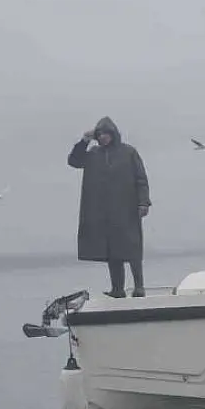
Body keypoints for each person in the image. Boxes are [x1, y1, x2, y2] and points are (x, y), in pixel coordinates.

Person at [67, 116, 151, 298]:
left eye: (107, 133)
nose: (104, 137)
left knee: (132, 249)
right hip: (103, 212)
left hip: (127, 209)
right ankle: (118, 289)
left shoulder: (129, 152)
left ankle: (139, 287)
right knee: (113, 252)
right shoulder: (93, 155)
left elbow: (141, 180)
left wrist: (143, 202)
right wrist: (84, 141)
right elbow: (73, 161)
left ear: (113, 134)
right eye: (100, 134)